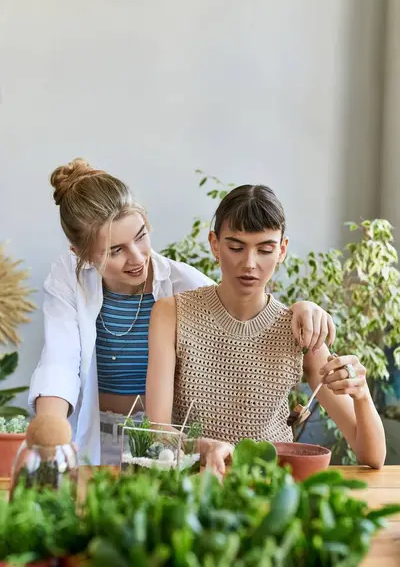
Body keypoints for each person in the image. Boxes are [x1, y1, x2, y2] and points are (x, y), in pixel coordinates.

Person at [28, 159, 335, 466]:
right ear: (79, 253)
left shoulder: (182, 283)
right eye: (115, 250)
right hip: (100, 431)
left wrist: (300, 308)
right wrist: (49, 431)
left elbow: (242, 306)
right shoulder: (68, 279)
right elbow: (60, 361)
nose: (137, 258)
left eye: (140, 236)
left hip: (165, 438)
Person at [146, 184, 386, 474]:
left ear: (282, 250)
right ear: (214, 244)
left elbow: (372, 455)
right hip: (196, 488)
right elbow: (157, 437)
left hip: (271, 492)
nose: (249, 264)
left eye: (265, 249)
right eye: (236, 247)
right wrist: (203, 447)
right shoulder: (172, 313)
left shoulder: (299, 328)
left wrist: (361, 394)